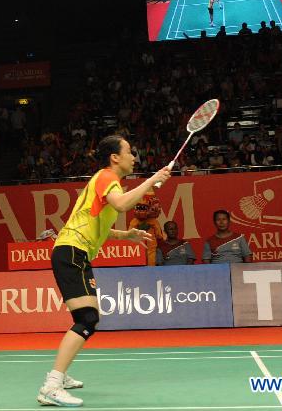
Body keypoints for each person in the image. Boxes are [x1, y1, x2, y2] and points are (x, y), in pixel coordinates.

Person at [36, 135, 171, 407]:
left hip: (75, 252)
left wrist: (125, 235)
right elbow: (122, 205)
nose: (135, 157)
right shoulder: (106, 177)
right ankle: (52, 385)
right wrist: (151, 180)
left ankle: (58, 377)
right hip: (72, 252)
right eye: (130, 152)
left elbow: (96, 224)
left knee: (85, 318)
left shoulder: (106, 182)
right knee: (88, 319)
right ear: (115, 157)